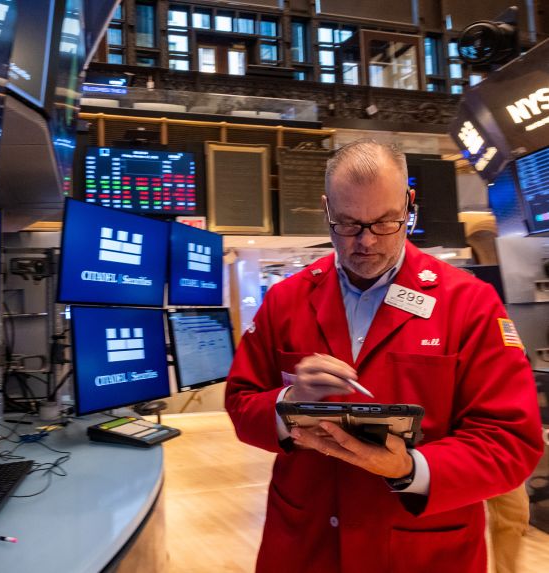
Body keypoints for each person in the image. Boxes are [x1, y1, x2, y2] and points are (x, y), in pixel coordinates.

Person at [225, 140, 543, 573]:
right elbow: (241, 402)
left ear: (409, 205)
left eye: (385, 222)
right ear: (327, 209)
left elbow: (510, 440)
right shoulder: (285, 301)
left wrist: (410, 468)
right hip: (305, 544)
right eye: (348, 224)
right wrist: (290, 402)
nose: (366, 241)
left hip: (423, 552)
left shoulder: (470, 304)